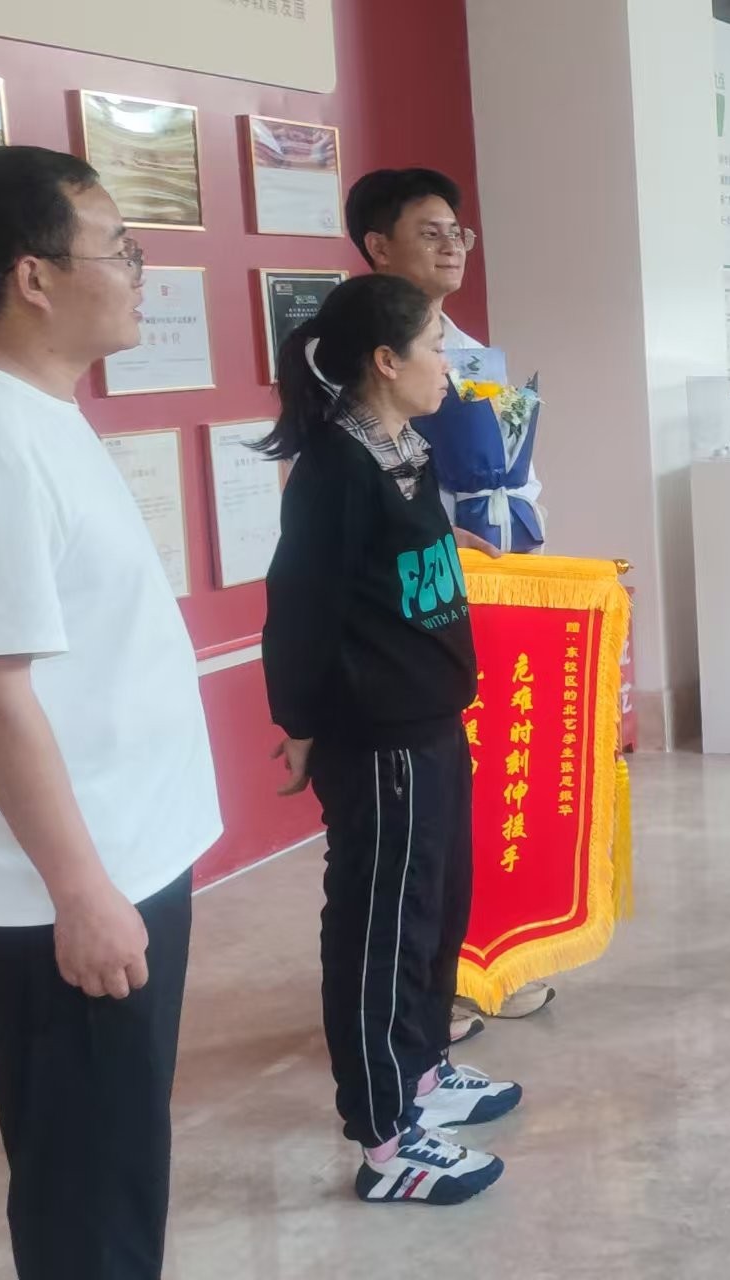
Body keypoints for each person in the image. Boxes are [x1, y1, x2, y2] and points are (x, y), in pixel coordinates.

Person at [0, 144, 220, 1280]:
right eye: (118, 248)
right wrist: (81, 895)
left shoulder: (31, 410)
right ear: (34, 276)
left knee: (117, 1162)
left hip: (120, 857)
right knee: (89, 1194)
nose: (138, 271)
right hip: (67, 895)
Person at [260, 274, 523, 1205]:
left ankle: (421, 1071)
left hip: (432, 722)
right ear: (385, 360)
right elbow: (299, 605)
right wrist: (298, 722)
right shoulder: (335, 467)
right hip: (379, 741)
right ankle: (383, 1139)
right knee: (383, 930)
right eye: (436, 347)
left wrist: (455, 547)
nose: (448, 365)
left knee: (438, 911)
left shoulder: (402, 447)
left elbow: (390, 566)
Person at [346, 166, 556, 1030]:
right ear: (377, 246)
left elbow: (512, 466)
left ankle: (487, 959)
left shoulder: (472, 352)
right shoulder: (347, 350)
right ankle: (418, 990)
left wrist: (521, 521)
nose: (451, 246)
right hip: (400, 611)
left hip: (485, 588)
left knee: (488, 789)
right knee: (412, 821)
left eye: (456, 231)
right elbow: (350, 491)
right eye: (428, 232)